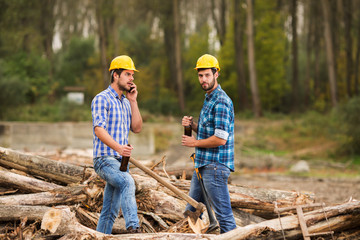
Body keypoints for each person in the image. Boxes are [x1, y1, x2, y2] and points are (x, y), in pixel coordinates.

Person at [181, 54, 237, 233]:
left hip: (215, 167)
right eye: (200, 76)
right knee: (191, 212)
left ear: (216, 74)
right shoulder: (209, 98)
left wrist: (194, 142)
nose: (203, 79)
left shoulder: (220, 101)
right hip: (203, 165)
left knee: (225, 218)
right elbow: (210, 132)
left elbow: (220, 139)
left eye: (207, 75)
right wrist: (193, 126)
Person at [91, 55, 143, 234]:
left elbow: (136, 127)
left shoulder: (126, 103)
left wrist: (133, 101)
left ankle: (100, 237)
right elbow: (99, 129)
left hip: (121, 163)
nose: (132, 78)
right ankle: (133, 229)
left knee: (109, 212)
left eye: (132, 75)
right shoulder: (101, 99)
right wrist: (119, 148)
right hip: (104, 160)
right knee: (128, 182)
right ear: (115, 75)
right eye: (128, 74)